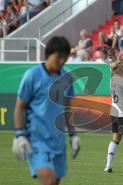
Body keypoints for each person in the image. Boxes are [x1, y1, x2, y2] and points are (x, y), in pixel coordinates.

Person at [12, 36, 80, 185]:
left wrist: (73, 135)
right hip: (37, 140)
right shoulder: (32, 76)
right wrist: (20, 135)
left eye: (65, 58)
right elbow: (19, 107)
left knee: (55, 182)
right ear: (48, 54)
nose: (61, 61)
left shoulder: (67, 78)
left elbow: (67, 108)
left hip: (58, 140)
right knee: (48, 180)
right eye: (58, 57)